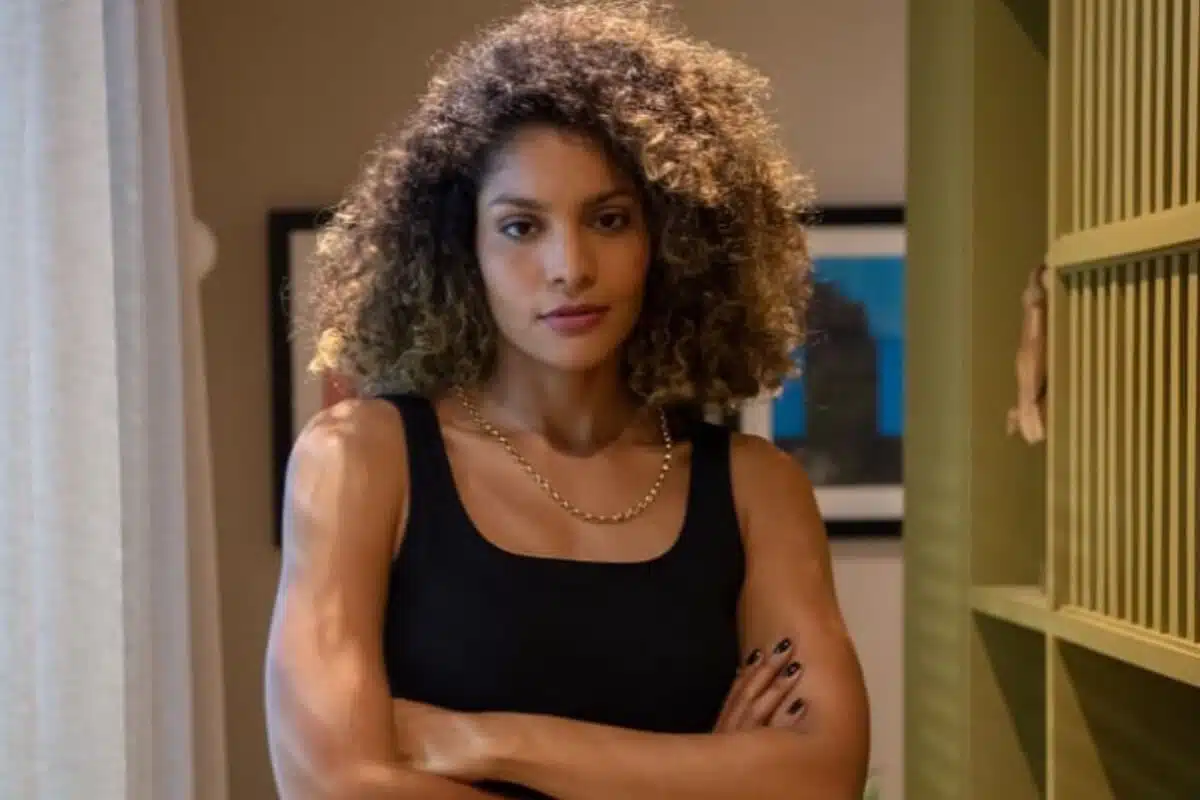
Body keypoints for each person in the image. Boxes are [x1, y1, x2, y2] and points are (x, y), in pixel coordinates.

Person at [264, 2, 870, 798]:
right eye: (521, 227)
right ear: (463, 250)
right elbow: (335, 786)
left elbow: (822, 777)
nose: (569, 267)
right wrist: (703, 778)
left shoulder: (758, 488)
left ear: (670, 241)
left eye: (609, 220)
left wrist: (487, 740)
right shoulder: (359, 459)